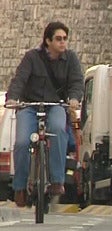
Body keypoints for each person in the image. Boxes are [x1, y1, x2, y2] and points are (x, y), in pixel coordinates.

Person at [5, 21, 84, 207]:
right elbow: (20, 79)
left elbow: (76, 82)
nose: (63, 42)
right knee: (22, 141)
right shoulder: (32, 58)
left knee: (57, 130)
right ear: (47, 40)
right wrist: (13, 98)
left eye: (65, 39)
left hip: (55, 105)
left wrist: (74, 98)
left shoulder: (71, 59)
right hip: (29, 106)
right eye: (58, 39)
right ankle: (20, 188)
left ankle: (57, 181)